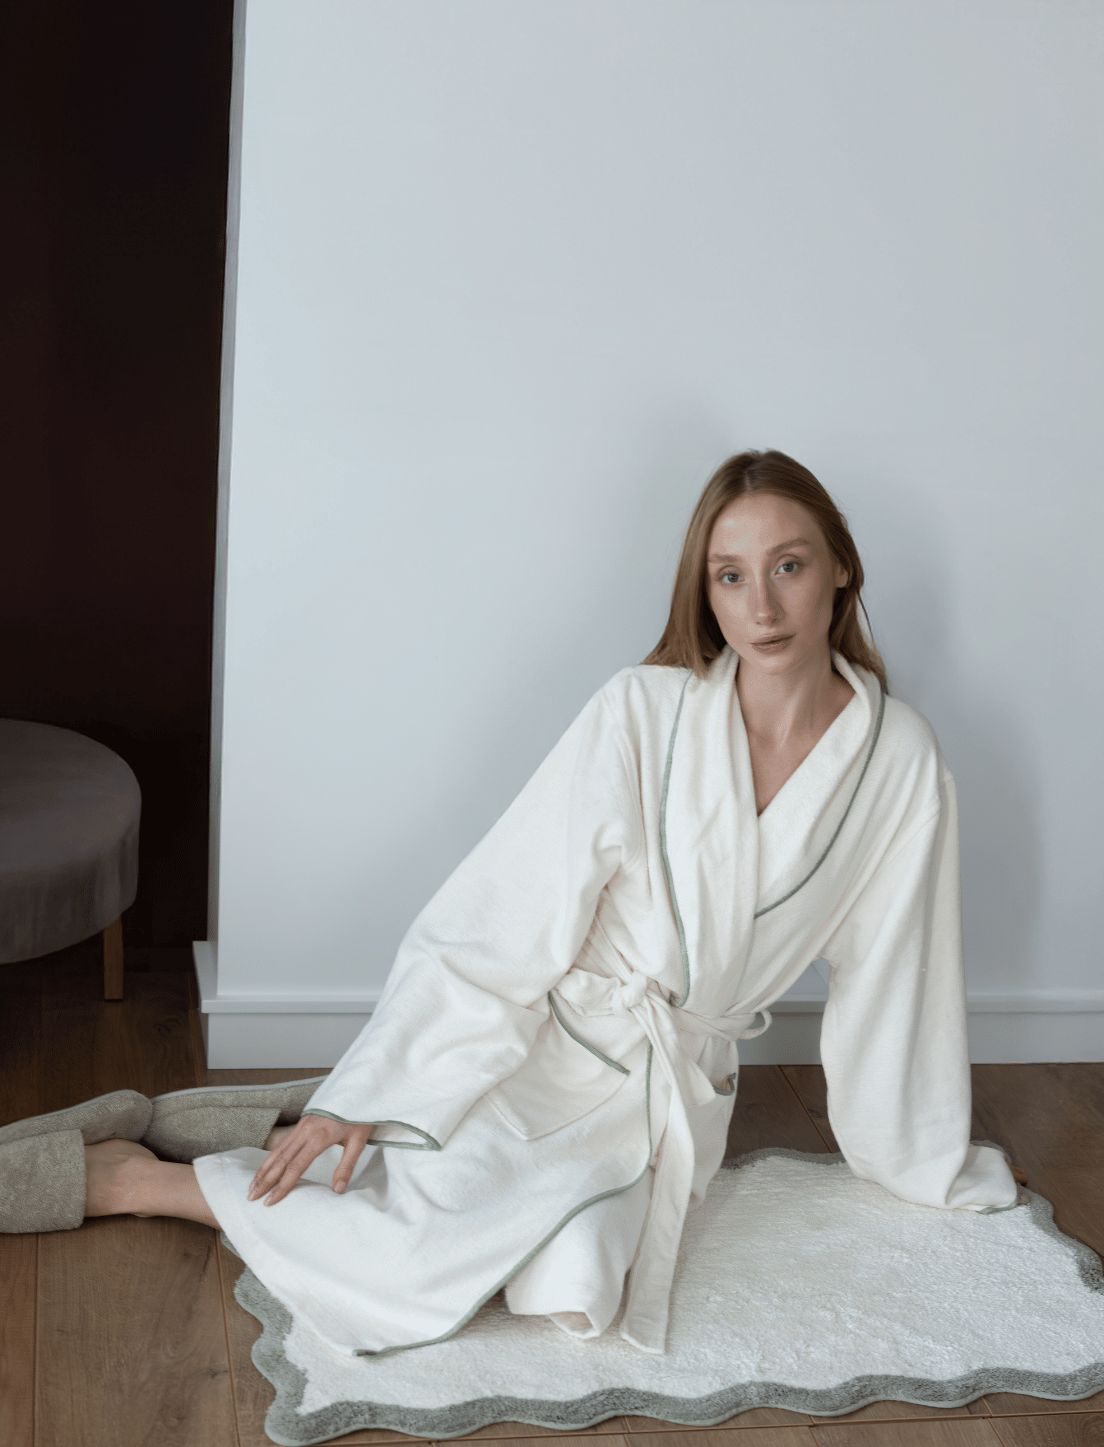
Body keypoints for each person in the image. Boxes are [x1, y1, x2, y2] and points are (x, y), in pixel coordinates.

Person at [0, 450, 1016, 1355]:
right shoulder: (644, 712)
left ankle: (303, 1137)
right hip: (550, 1043)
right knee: (412, 1255)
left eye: (789, 566)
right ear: (704, 593)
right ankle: (140, 1179)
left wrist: (912, 1154)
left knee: (569, 1278)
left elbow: (899, 971)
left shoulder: (898, 761)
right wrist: (381, 1085)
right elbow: (504, 913)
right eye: (730, 575)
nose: (763, 607)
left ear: (841, 569)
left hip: (669, 1088)